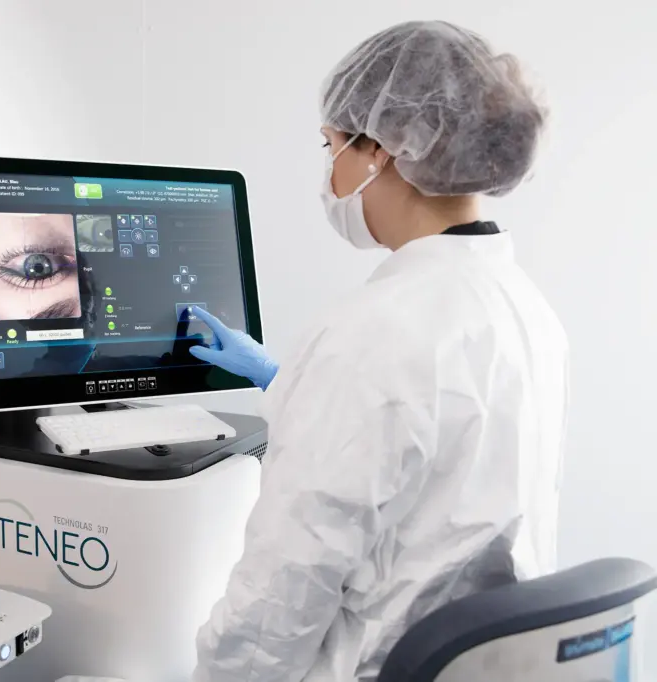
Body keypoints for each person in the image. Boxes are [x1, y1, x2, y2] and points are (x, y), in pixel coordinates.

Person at [188, 20, 568, 682]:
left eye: (331, 145)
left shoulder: (373, 333)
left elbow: (278, 600)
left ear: (382, 151)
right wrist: (287, 381)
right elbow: (435, 455)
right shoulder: (523, 307)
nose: (330, 170)